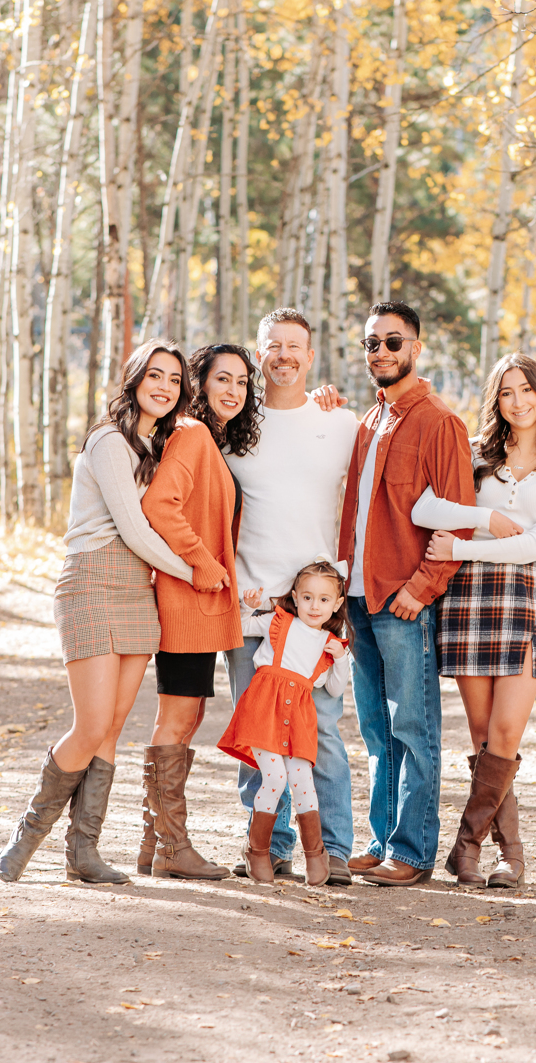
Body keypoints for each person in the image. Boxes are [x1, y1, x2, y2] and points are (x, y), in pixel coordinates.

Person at [0, 341, 195, 885]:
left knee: (111, 725)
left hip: (138, 587)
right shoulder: (110, 442)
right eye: (154, 375)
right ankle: (28, 833)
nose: (163, 386)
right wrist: (192, 570)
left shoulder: (156, 446)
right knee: (89, 725)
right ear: (133, 380)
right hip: (91, 580)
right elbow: (132, 529)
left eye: (174, 380)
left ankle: (84, 852)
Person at [412, 353, 536, 887]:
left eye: (526, 389)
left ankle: (469, 844)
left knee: (508, 730)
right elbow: (423, 509)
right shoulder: (471, 458)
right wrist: (483, 522)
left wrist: (462, 548)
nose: (518, 400)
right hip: (468, 602)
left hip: (522, 599)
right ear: (497, 400)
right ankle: (503, 856)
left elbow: (535, 544)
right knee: (484, 732)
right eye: (507, 391)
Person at [338, 300, 476, 887]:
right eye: (372, 344)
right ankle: (382, 838)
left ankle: (414, 852)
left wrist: (422, 589)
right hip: (359, 598)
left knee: (412, 729)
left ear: (415, 349)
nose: (382, 353)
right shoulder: (370, 422)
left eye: (393, 343)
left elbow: (460, 519)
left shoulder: (438, 422)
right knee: (374, 729)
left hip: (402, 600)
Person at [223, 309, 360, 885]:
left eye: (295, 346)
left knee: (321, 732)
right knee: (259, 733)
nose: (283, 355)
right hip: (255, 609)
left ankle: (332, 849)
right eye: (273, 345)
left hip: (315, 608)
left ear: (310, 355)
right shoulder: (233, 428)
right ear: (259, 355)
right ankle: (271, 847)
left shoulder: (341, 423)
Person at [135, 342, 259, 880]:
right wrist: (205, 564)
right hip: (187, 599)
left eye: (241, 382)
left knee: (186, 718)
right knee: (179, 717)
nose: (233, 391)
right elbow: (158, 505)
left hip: (198, 605)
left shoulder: (199, 437)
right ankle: (171, 847)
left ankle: (156, 845)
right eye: (222, 380)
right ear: (199, 384)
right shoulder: (192, 433)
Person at [218, 558, 351, 887]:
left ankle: (315, 853)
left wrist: (341, 658)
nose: (314, 606)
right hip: (265, 710)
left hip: (299, 717)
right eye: (307, 597)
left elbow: (334, 688)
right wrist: (249, 608)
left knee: (303, 780)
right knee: (275, 778)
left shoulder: (329, 645)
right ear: (295, 596)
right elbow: (241, 626)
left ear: (337, 604)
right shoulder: (279, 623)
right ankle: (258, 850)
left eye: (323, 599)